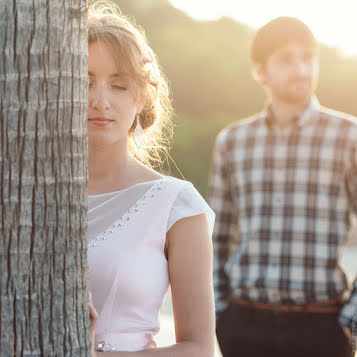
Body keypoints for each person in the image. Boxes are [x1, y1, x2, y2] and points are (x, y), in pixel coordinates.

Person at [209, 16, 357, 357]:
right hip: (242, 325)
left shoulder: (348, 138)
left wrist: (351, 326)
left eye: (308, 57)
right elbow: (218, 236)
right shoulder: (233, 142)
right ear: (260, 71)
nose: (301, 69)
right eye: (287, 59)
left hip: (324, 327)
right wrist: (220, 313)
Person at [86, 2, 215, 356]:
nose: (100, 100)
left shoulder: (175, 203)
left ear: (141, 96)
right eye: (85, 81)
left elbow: (199, 348)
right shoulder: (21, 195)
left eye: (118, 85)